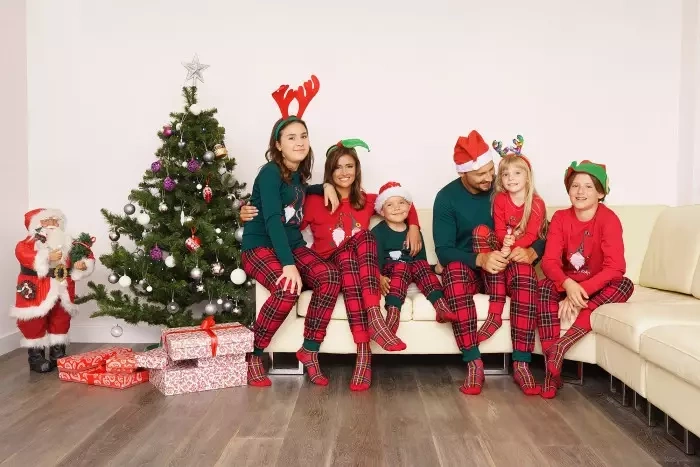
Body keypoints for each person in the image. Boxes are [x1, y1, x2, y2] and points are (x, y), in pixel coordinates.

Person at [240, 138, 421, 391]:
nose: (344, 172)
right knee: (346, 258)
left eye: (350, 166)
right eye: (337, 167)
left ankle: (364, 350)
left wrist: (414, 226)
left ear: (357, 170)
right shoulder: (313, 200)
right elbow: (285, 220)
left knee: (361, 242)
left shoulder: (367, 201)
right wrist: (247, 212)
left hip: (354, 269)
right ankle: (369, 336)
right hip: (327, 262)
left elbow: (401, 202)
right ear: (329, 172)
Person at [241, 75, 341, 387]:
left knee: (330, 276)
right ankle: (255, 354)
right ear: (278, 145)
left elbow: (301, 191)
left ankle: (309, 349)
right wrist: (288, 264)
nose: (299, 142)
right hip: (261, 246)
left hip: (292, 245)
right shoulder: (270, 172)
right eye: (291, 137)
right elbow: (273, 221)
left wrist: (324, 185)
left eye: (304, 136)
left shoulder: (297, 176)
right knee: (287, 288)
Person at [433, 129, 544, 396]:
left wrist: (533, 251)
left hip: (507, 265)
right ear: (463, 173)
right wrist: (480, 259)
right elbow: (444, 251)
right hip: (471, 268)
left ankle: (522, 363)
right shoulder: (446, 198)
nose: (489, 178)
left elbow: (543, 230)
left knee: (525, 274)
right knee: (453, 272)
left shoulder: (507, 186)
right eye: (480, 174)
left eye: (490, 170)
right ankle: (473, 362)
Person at [536, 161, 633, 398]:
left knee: (625, 284)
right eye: (575, 186)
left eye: (588, 187)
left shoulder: (609, 219)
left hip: (596, 286)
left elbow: (615, 267)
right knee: (542, 287)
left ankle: (562, 346)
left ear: (600, 193)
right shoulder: (560, 217)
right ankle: (551, 369)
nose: (580, 192)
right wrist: (568, 285)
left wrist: (580, 292)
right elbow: (549, 262)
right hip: (567, 283)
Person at [471, 135, 547, 343]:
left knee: (521, 269)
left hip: (519, 249)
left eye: (517, 173)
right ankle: (495, 313)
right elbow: (498, 228)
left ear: (528, 177)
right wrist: (504, 244)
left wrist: (512, 248)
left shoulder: (536, 203)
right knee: (480, 231)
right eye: (505, 174)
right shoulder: (500, 199)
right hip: (502, 244)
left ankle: (521, 352)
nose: (511, 178)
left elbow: (532, 235)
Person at [11, 209, 95, 373]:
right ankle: (36, 357)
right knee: (34, 320)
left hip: (62, 286)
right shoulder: (26, 244)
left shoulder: (70, 243)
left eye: (55, 220)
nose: (51, 224)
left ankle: (58, 354)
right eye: (46, 221)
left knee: (61, 318)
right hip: (36, 286)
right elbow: (23, 254)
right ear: (35, 225)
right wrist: (46, 256)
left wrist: (83, 264)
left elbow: (85, 254)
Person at [371, 181, 458, 333]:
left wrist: (434, 268)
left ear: (409, 207)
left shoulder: (415, 233)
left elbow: (420, 261)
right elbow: (374, 259)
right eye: (390, 205)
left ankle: (441, 306)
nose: (397, 207)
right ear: (382, 212)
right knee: (402, 266)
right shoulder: (378, 232)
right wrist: (378, 276)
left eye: (401, 203)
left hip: (413, 271)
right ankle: (392, 315)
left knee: (420, 264)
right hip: (393, 273)